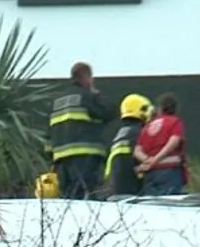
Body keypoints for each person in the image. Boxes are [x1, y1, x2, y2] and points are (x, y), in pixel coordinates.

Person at [48, 62, 111, 199]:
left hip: (61, 159)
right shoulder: (87, 97)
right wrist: (97, 94)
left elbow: (50, 131)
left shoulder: (57, 101)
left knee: (67, 199)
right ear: (87, 78)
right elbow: (109, 112)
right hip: (84, 156)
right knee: (85, 197)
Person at [134, 93, 187, 196]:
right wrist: (156, 159)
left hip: (150, 173)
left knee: (151, 204)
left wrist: (148, 161)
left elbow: (137, 151)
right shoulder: (175, 122)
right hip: (170, 171)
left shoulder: (147, 126)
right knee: (169, 205)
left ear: (159, 108)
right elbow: (173, 143)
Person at [106, 93, 152, 198]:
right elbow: (144, 161)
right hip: (133, 190)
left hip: (115, 190)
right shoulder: (140, 132)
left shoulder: (119, 135)